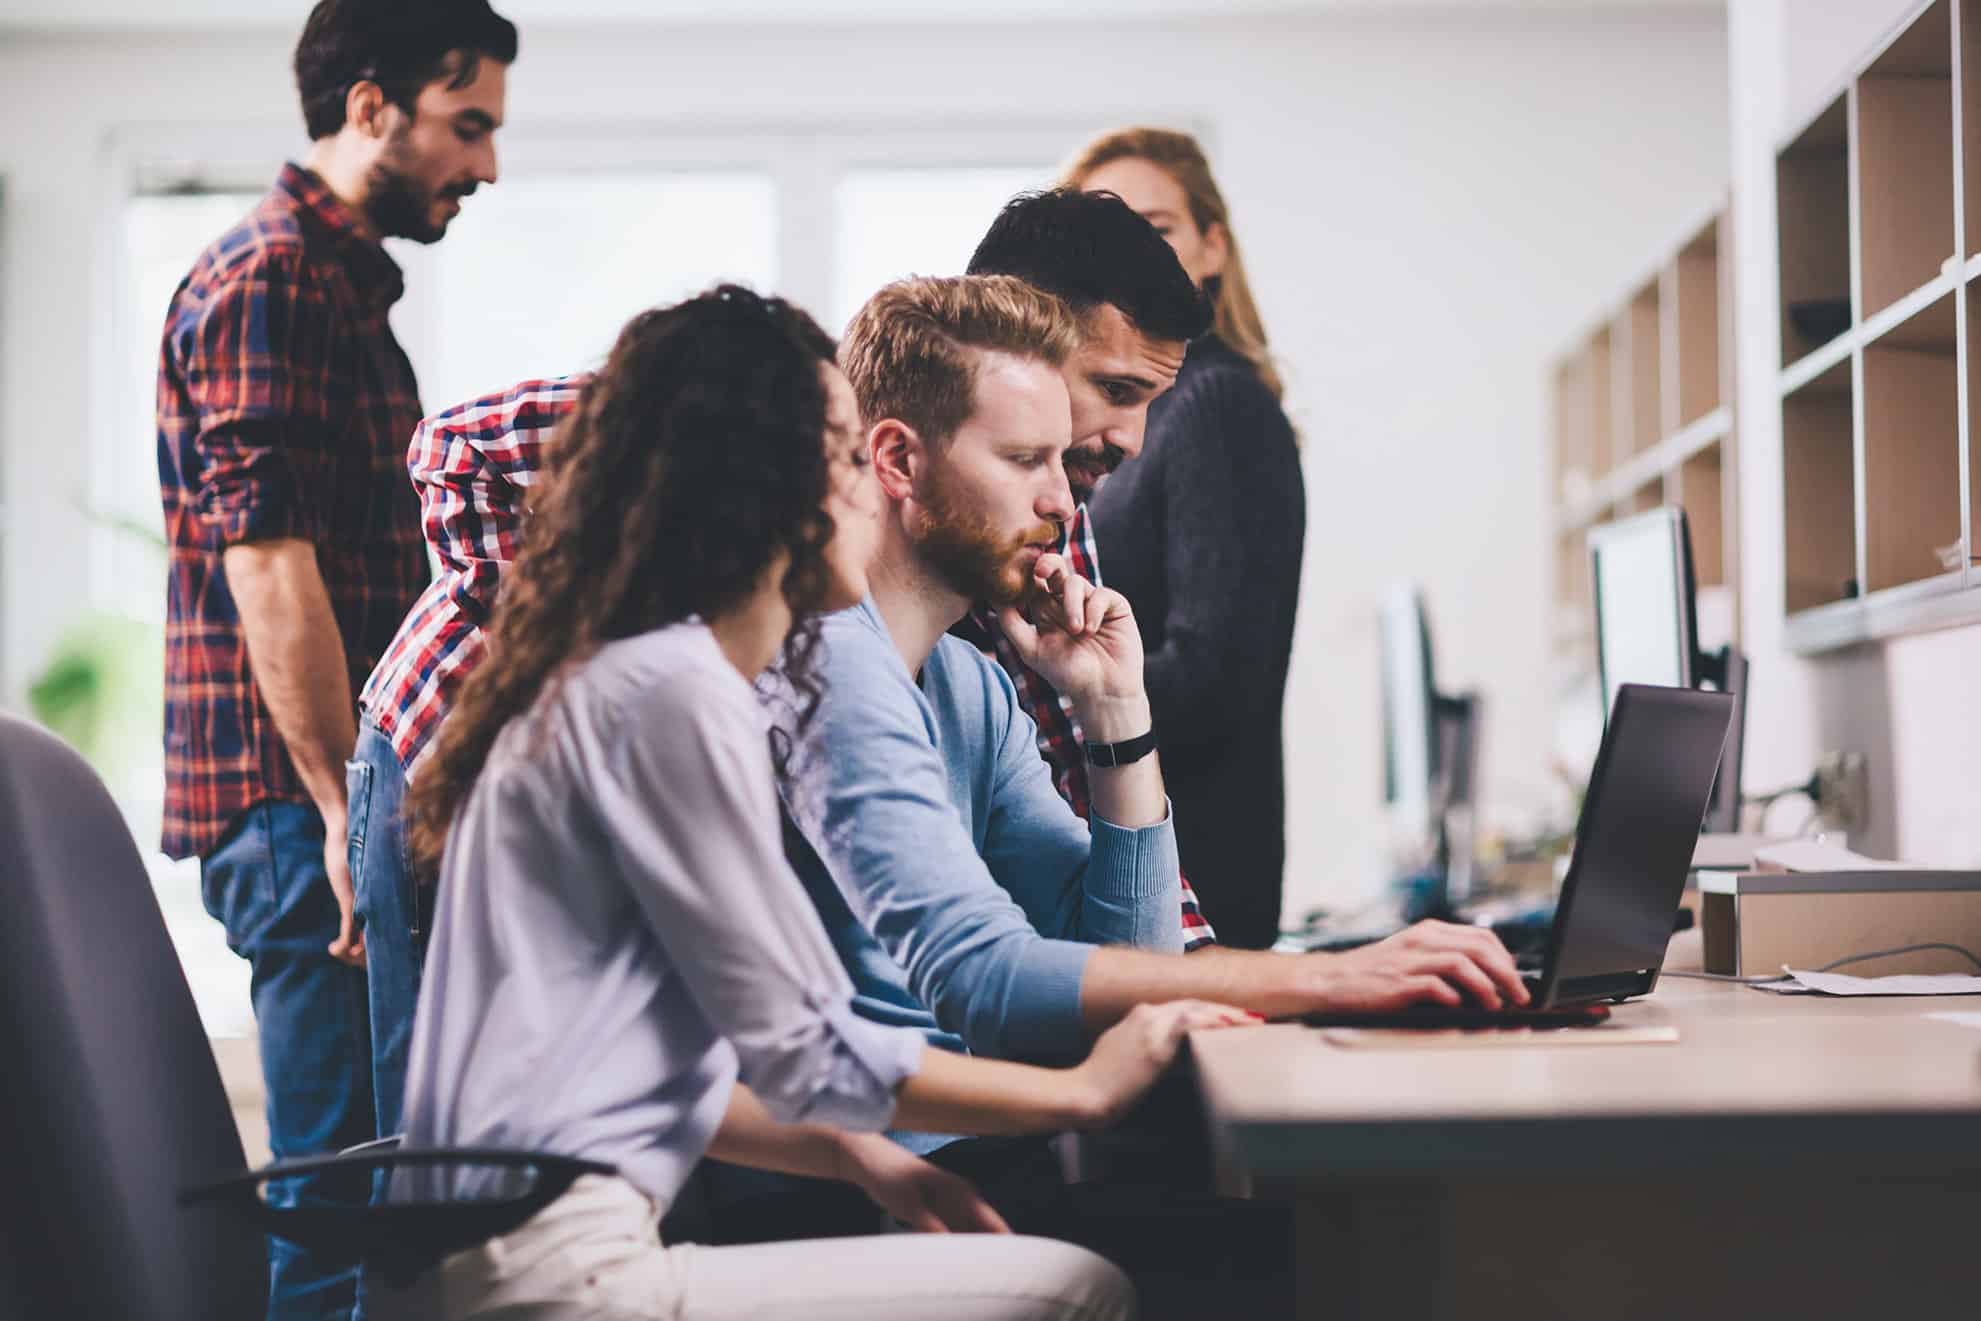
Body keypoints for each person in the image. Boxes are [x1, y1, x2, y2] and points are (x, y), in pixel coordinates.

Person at [388, 285, 1249, 1321]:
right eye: (846, 458)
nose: (869, 490)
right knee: (1078, 1290)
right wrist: (1086, 1091)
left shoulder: (641, 679)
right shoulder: (680, 694)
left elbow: (657, 1066)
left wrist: (857, 1159)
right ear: (770, 488)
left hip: (523, 1260)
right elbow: (810, 1047)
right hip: (560, 1282)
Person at [775, 272, 1524, 1318]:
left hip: (970, 1164)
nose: (1063, 500)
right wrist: (1338, 979)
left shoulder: (970, 682)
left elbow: (1139, 955)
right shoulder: (823, 659)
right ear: (898, 458)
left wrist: (1112, 709)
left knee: (1341, 1247)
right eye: (1025, 460)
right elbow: (981, 979)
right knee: (1320, 1271)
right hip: (838, 1190)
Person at [154, 2, 512, 1315]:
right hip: (292, 807)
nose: (485, 166)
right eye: (467, 125)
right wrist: (333, 812)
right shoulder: (273, 279)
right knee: (336, 1205)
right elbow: (268, 562)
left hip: (326, 802)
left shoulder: (334, 286)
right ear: (372, 107)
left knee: (368, 1190)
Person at [1064, 128, 1305, 951]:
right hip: (1126, 864)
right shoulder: (1108, 425)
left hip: (1191, 876)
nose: (1131, 255)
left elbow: (1213, 680)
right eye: (1105, 232)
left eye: (1156, 228)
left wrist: (1040, 692)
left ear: (1211, 248)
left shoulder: (1215, 408)